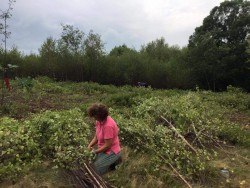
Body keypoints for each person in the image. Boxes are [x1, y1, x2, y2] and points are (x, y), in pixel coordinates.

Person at [87, 103, 121, 175]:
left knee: (95, 169)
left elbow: (107, 145)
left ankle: (115, 163)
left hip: (111, 151)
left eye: (94, 116)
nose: (94, 118)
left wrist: (95, 152)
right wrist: (89, 146)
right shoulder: (99, 121)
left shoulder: (108, 126)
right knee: (90, 163)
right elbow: (96, 137)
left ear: (99, 115)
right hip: (104, 149)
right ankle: (110, 166)